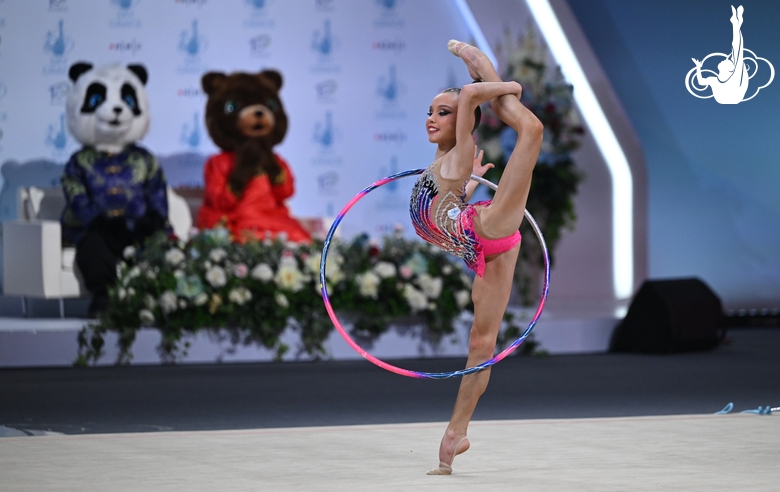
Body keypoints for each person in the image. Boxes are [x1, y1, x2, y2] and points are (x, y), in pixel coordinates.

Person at [409, 40, 543, 475]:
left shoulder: (460, 148)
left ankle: (489, 70)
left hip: (487, 229)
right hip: (482, 247)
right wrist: (469, 183)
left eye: (442, 113)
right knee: (481, 346)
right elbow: (446, 206)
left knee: (532, 131)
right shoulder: (447, 158)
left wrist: (503, 84)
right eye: (430, 111)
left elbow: (470, 96)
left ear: (463, 122)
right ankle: (454, 436)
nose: (432, 118)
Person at [692, 5, 748, 104]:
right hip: (728, 97)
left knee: (737, 51)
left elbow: (738, 49)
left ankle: (736, 23)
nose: (724, 60)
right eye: (727, 61)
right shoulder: (715, 80)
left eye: (726, 61)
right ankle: (736, 23)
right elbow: (701, 82)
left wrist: (698, 67)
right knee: (737, 52)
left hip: (733, 95)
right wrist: (698, 67)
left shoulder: (731, 78)